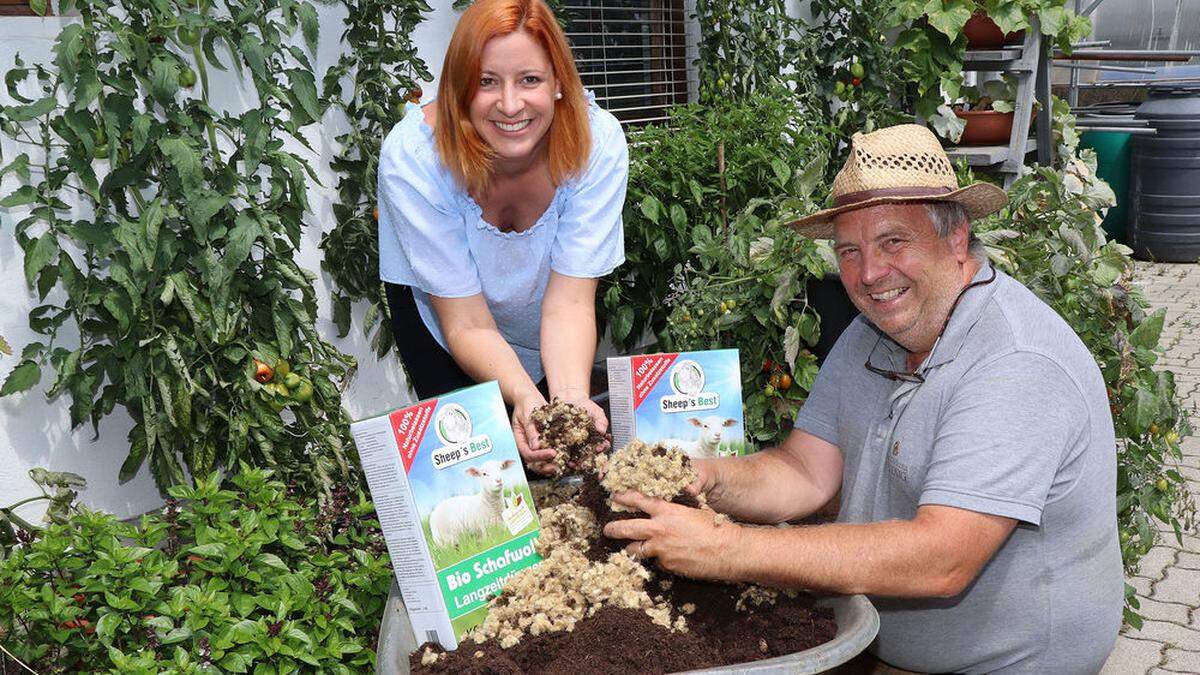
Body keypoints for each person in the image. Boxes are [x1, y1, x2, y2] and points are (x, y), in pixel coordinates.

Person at [604, 124, 1123, 674]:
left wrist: (726, 547)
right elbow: (806, 471)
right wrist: (707, 478)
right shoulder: (874, 331)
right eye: (849, 251)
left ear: (956, 238)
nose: (870, 274)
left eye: (893, 241)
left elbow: (942, 558)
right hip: (881, 645)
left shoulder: (1015, 364)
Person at [376, 0, 627, 474]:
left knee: (551, 444)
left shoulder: (598, 145)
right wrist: (520, 393)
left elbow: (570, 303)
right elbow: (467, 323)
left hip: (547, 301)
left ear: (558, 83)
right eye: (486, 82)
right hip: (447, 314)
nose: (510, 105)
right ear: (459, 89)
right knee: (472, 465)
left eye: (529, 79)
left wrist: (568, 402)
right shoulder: (414, 159)